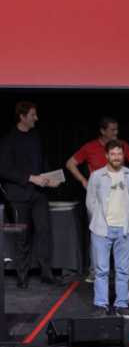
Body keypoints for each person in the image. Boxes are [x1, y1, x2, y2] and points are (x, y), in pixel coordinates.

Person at [66, 116, 129, 283]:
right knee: (98, 235)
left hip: (118, 196)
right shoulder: (90, 147)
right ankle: (95, 272)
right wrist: (84, 181)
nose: (116, 133)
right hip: (98, 197)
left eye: (117, 129)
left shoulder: (122, 146)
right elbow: (70, 163)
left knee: (122, 234)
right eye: (112, 130)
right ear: (103, 131)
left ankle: (121, 272)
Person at [0, 101, 63, 289]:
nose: (36, 118)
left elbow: (42, 161)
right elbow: (3, 170)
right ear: (23, 117)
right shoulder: (8, 140)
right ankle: (22, 275)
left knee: (44, 232)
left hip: (39, 195)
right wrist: (30, 178)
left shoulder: (36, 137)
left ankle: (46, 273)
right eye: (33, 115)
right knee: (22, 236)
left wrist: (49, 178)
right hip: (18, 195)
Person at [86, 140, 129, 318]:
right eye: (113, 154)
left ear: (123, 156)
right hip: (101, 230)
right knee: (101, 270)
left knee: (123, 269)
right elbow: (90, 203)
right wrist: (99, 222)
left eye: (119, 154)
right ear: (106, 155)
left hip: (124, 229)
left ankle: (121, 303)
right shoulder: (97, 176)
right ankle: (101, 304)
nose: (116, 157)